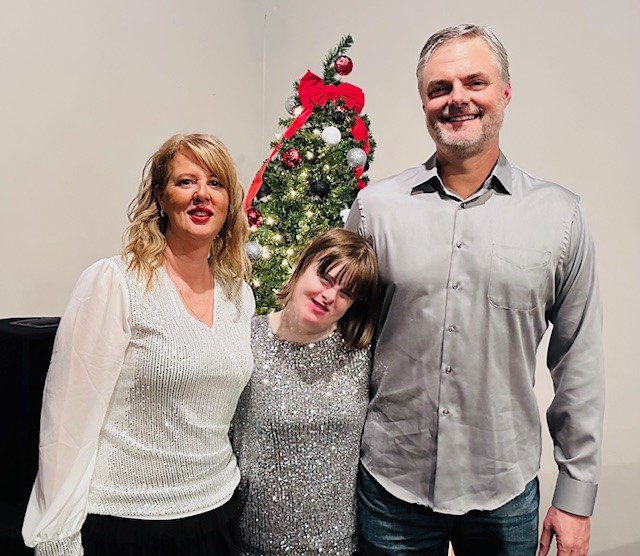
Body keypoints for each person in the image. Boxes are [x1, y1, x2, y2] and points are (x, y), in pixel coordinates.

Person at [345, 24, 604, 556]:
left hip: (503, 489)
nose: (456, 98)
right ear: (423, 102)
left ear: (504, 92)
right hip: (391, 485)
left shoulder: (560, 217)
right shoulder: (375, 211)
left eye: (474, 82)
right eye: (439, 88)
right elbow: (345, 340)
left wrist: (576, 496)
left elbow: (578, 358)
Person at [22, 133, 255, 555]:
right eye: (186, 181)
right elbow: (67, 419)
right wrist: (56, 537)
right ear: (161, 197)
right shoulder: (116, 281)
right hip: (128, 521)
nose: (202, 194)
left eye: (216, 183)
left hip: (217, 511)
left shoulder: (239, 295)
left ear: (228, 202)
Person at [232, 228, 380, 555]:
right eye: (325, 278)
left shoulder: (361, 355)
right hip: (251, 543)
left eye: (346, 293)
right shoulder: (245, 339)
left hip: (337, 545)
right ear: (302, 266)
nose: (329, 296)